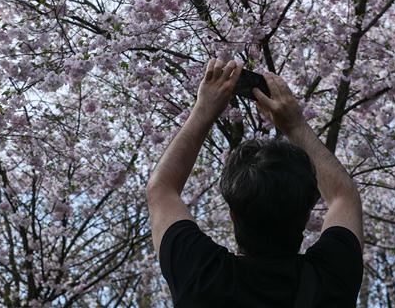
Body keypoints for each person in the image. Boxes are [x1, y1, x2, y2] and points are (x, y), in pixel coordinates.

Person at [146, 58, 364, 307]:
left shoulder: (202, 278)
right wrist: (295, 124)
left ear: (232, 215)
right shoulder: (330, 281)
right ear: (306, 217)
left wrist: (204, 109)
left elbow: (160, 188)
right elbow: (343, 195)